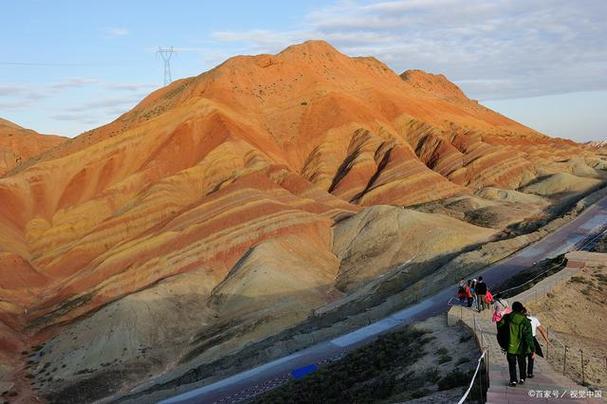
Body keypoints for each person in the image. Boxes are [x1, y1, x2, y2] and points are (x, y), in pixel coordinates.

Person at [496, 301, 535, 387]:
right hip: (522, 347)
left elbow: (499, 328)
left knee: (512, 364)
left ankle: (513, 380)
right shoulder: (526, 321)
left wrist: (503, 343)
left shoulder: (507, 317)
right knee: (522, 363)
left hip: (510, 346)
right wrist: (533, 350)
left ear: (513, 309)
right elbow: (529, 337)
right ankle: (522, 378)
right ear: (521, 309)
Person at [524, 308, 550, 379]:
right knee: (531, 356)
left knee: (522, 356)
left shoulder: (521, 319)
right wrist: (547, 340)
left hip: (523, 338)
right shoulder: (535, 319)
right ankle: (529, 373)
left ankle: (522, 373)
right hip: (532, 339)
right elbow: (541, 330)